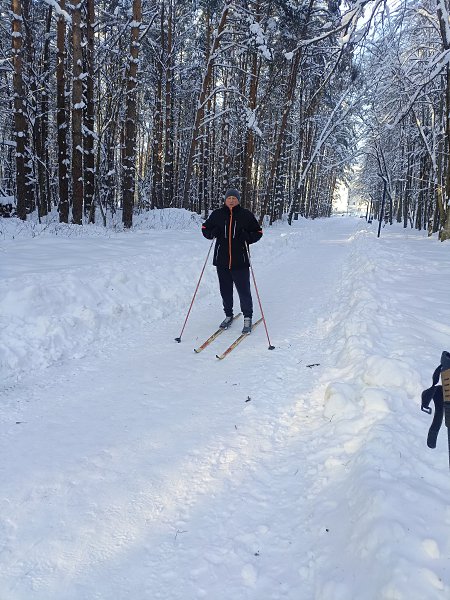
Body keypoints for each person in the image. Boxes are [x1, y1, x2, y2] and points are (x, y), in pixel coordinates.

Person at [202, 188, 263, 334]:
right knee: (225, 291)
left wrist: (247, 237)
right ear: (225, 200)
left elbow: (258, 232)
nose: (231, 201)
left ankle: (247, 317)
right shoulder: (217, 214)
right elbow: (205, 228)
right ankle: (228, 315)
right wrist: (211, 233)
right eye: (229, 198)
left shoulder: (245, 215)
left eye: (234, 198)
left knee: (244, 290)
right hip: (222, 261)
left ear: (238, 200)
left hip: (240, 261)